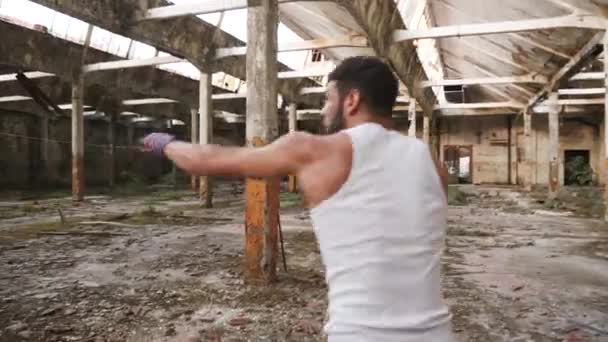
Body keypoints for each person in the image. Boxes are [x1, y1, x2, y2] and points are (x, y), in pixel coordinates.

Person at [143, 56, 454, 341]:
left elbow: (208, 160)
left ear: (352, 100)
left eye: (327, 100)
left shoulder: (314, 150)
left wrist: (164, 143)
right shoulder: (432, 163)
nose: (322, 110)